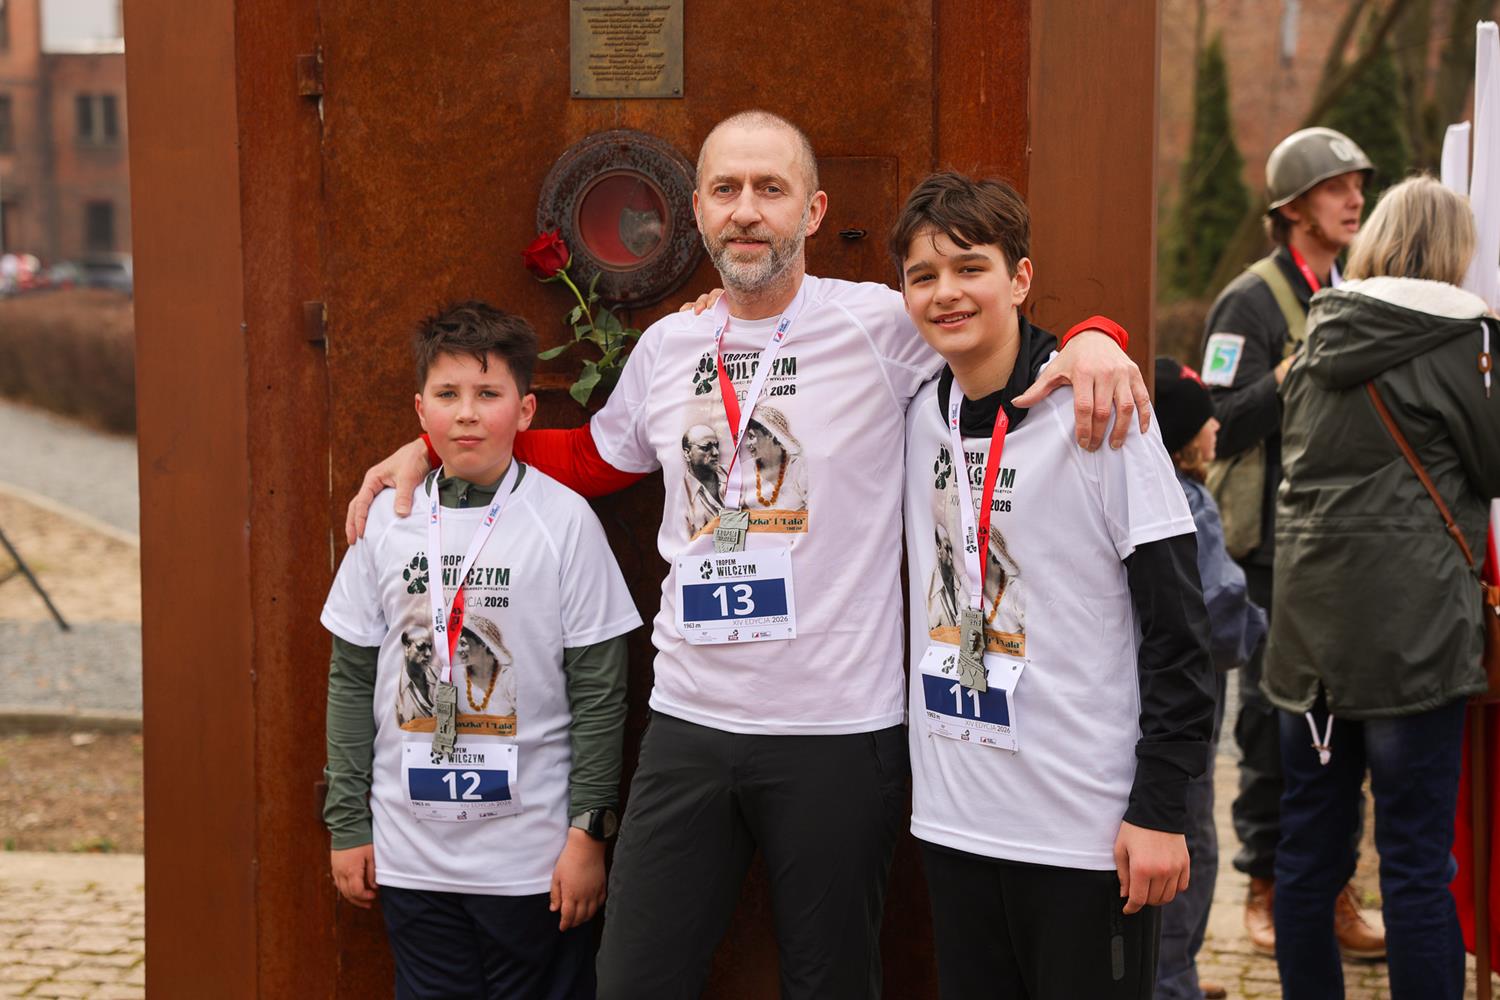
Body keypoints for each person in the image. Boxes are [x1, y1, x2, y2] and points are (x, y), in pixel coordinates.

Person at [345, 111, 1151, 1000]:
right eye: (726, 190)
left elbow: (990, 328)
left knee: (829, 983)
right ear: (696, 210)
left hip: (839, 732)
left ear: (813, 211)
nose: (747, 211)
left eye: (771, 189)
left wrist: (1095, 336)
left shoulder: (881, 325)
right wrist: (440, 446)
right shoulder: (669, 345)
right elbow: (595, 460)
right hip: (691, 722)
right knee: (634, 980)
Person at [894, 171, 1216, 998]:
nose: (946, 292)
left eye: (971, 268)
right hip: (955, 824)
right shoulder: (918, 411)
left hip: (1084, 832)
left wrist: (1161, 809)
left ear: (1021, 279)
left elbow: (1182, 631)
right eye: (924, 276)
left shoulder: (1101, 416)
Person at [321, 302, 641, 999]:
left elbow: (600, 692)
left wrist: (588, 835)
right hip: (409, 857)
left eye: (488, 393)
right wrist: (347, 824)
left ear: (525, 411)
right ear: (421, 410)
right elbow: (350, 679)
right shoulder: (387, 521)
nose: (467, 413)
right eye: (447, 394)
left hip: (531, 862)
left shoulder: (564, 521)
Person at [1264, 174, 1500, 1000]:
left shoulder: (1320, 333)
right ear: (1455, 250)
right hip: (1417, 630)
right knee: (1415, 863)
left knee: (1307, 856)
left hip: (1312, 636)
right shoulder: (1467, 341)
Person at [1198, 125, 1385, 958]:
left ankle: (1332, 887)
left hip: (1344, 547)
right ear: (1295, 207)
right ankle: (1265, 887)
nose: (1355, 198)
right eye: (1338, 186)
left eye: (1358, 185)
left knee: (1340, 725)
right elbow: (1217, 421)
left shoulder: (1354, 288)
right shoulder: (1250, 299)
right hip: (1273, 552)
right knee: (1271, 727)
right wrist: (1295, 370)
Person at [1152, 358, 1268, 1000]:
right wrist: (1261, 627)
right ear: (1183, 436)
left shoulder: (1146, 486)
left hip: (1138, 710)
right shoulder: (1191, 501)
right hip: (1187, 719)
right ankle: (1173, 981)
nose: (1218, 425)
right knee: (1188, 845)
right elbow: (1221, 622)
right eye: (1205, 418)